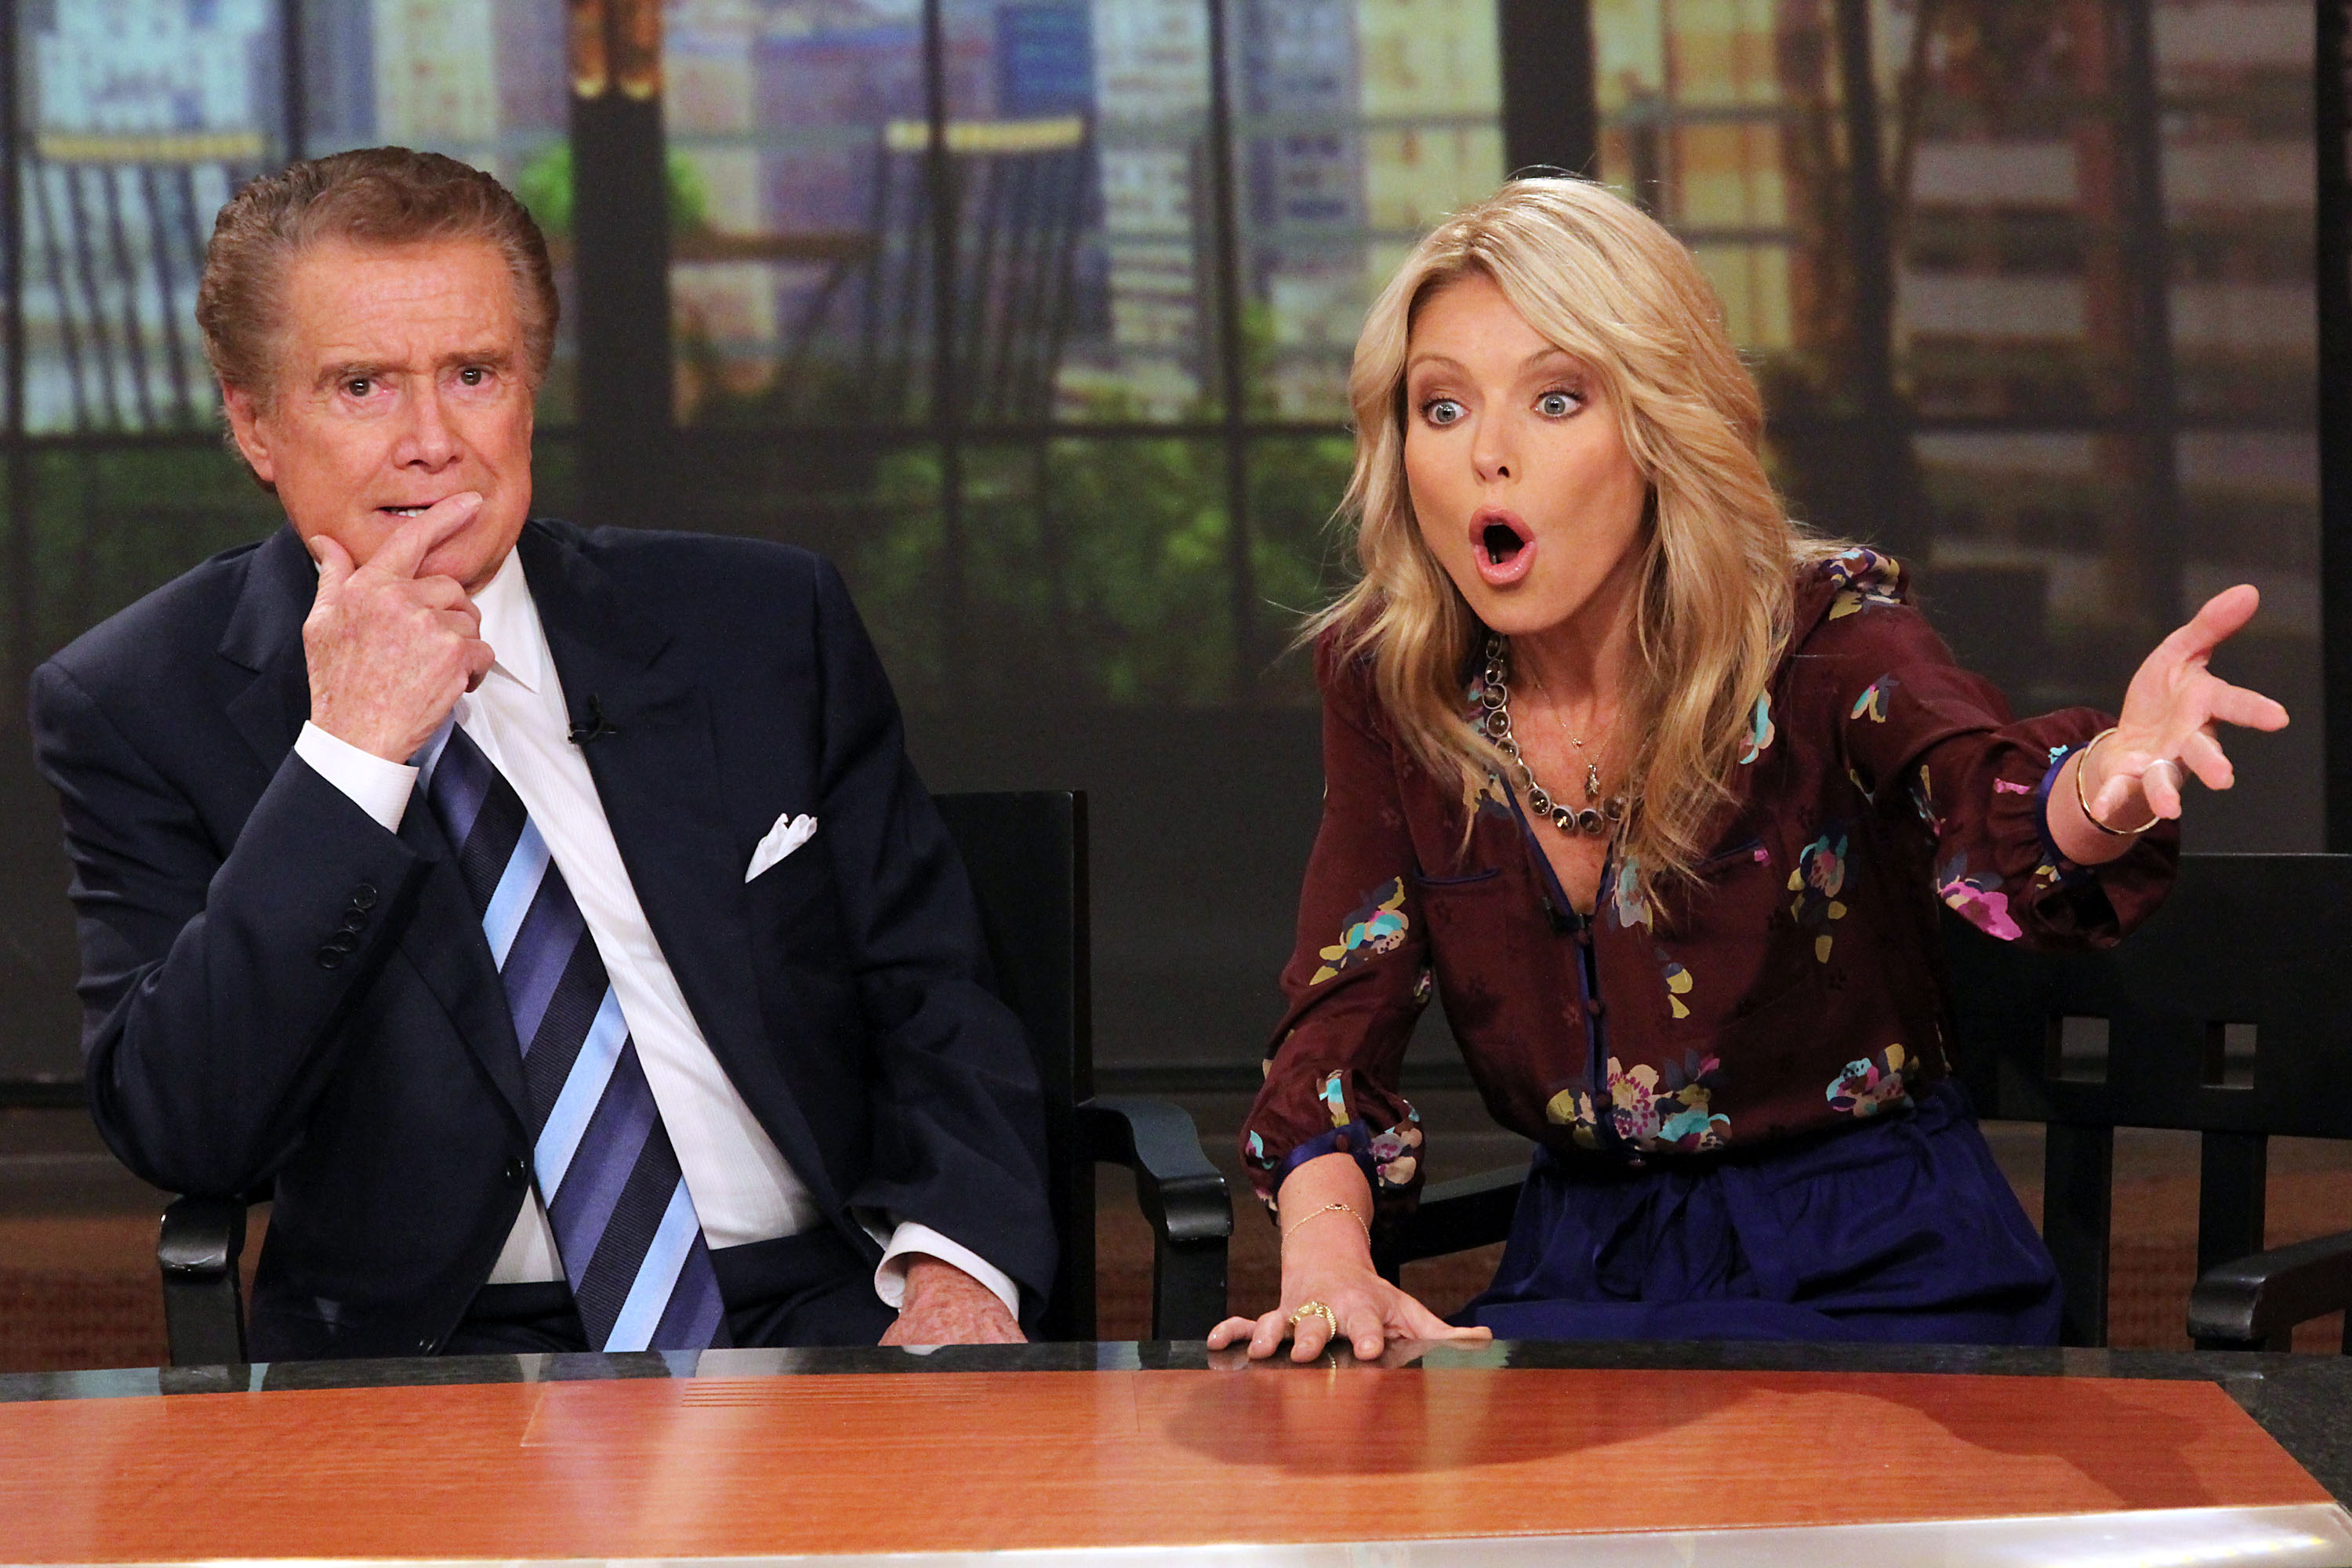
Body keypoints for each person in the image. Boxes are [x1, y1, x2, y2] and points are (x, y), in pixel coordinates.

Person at [1208, 178, 2288, 1362]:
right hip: (1587, 1273)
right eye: (1443, 408)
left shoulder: (1827, 635)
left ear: (1662, 428)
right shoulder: (1393, 682)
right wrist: (1327, 1262)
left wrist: (2102, 787)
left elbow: (1986, 812)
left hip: (1879, 1273)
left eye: (1557, 399)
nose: (1490, 458)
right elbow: (1338, 1013)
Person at [29, 148, 1053, 1361]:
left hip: (813, 1316)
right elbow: (189, 1127)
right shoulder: (138, 701)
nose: (431, 441)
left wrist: (952, 1274)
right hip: (425, 1362)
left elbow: (935, 992)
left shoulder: (759, 624)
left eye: (473, 374)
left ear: (530, 389)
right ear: (254, 422)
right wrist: (351, 755)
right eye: (362, 386)